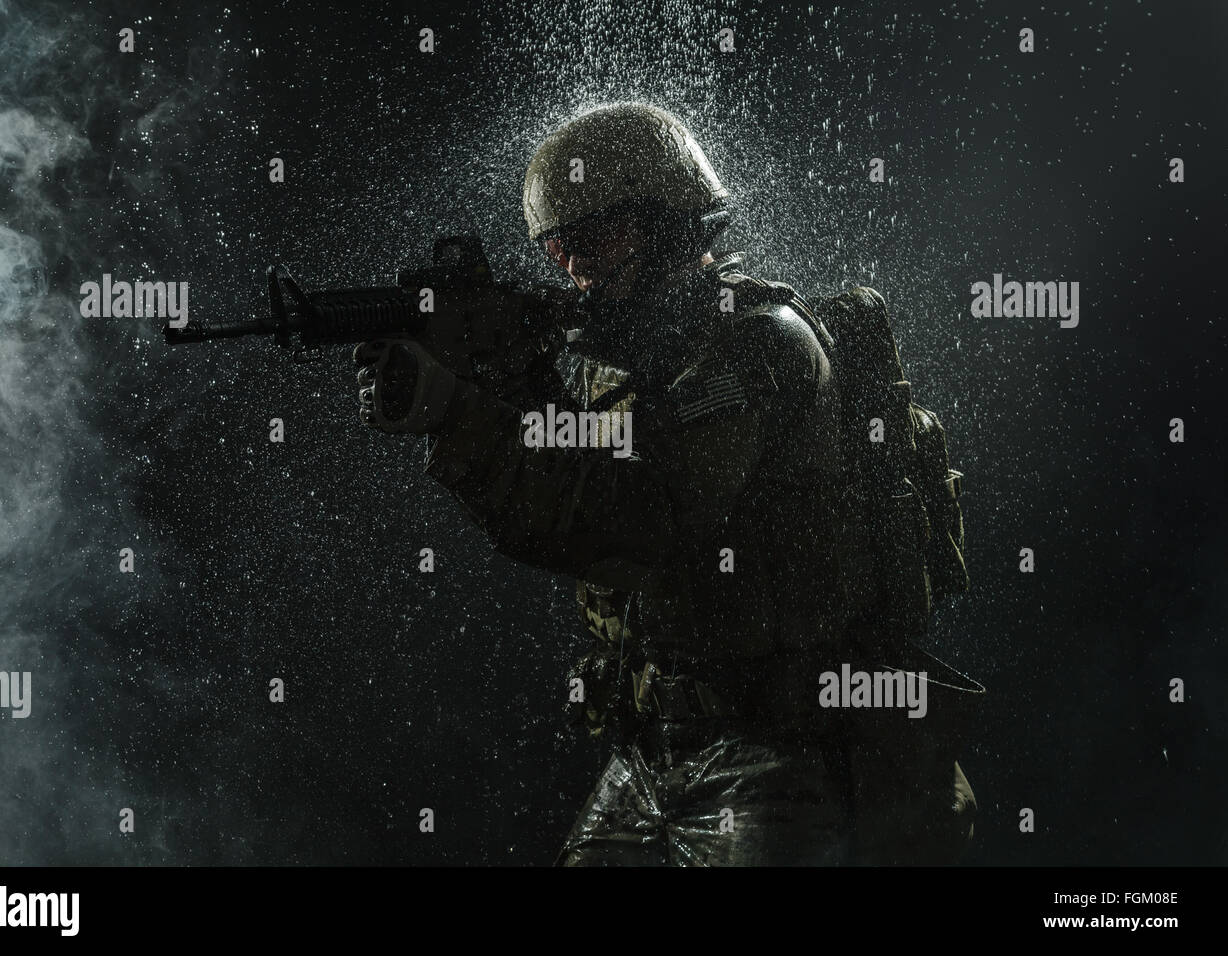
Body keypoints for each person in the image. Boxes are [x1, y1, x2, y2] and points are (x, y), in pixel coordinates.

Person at [354, 103, 978, 865]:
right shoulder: (622, 363)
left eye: (594, 237)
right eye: (557, 247)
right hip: (653, 751)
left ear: (667, 222)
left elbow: (635, 524)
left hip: (777, 753)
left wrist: (458, 416)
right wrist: (502, 378)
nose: (575, 266)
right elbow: (566, 490)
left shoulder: (757, 344)